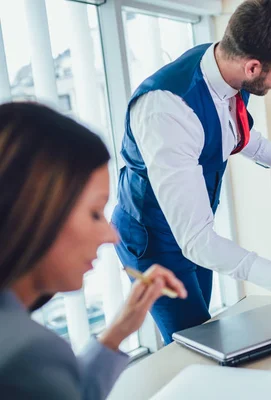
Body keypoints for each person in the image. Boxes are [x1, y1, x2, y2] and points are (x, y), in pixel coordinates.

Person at [112, 0, 271, 343]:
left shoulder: (224, 67)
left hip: (193, 226)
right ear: (253, 67)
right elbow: (197, 241)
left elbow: (238, 135)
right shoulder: (168, 112)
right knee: (190, 340)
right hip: (152, 239)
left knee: (199, 330)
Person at [0, 102, 187, 399]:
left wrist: (119, 330)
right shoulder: (27, 355)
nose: (112, 235)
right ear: (33, 208)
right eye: (95, 213)